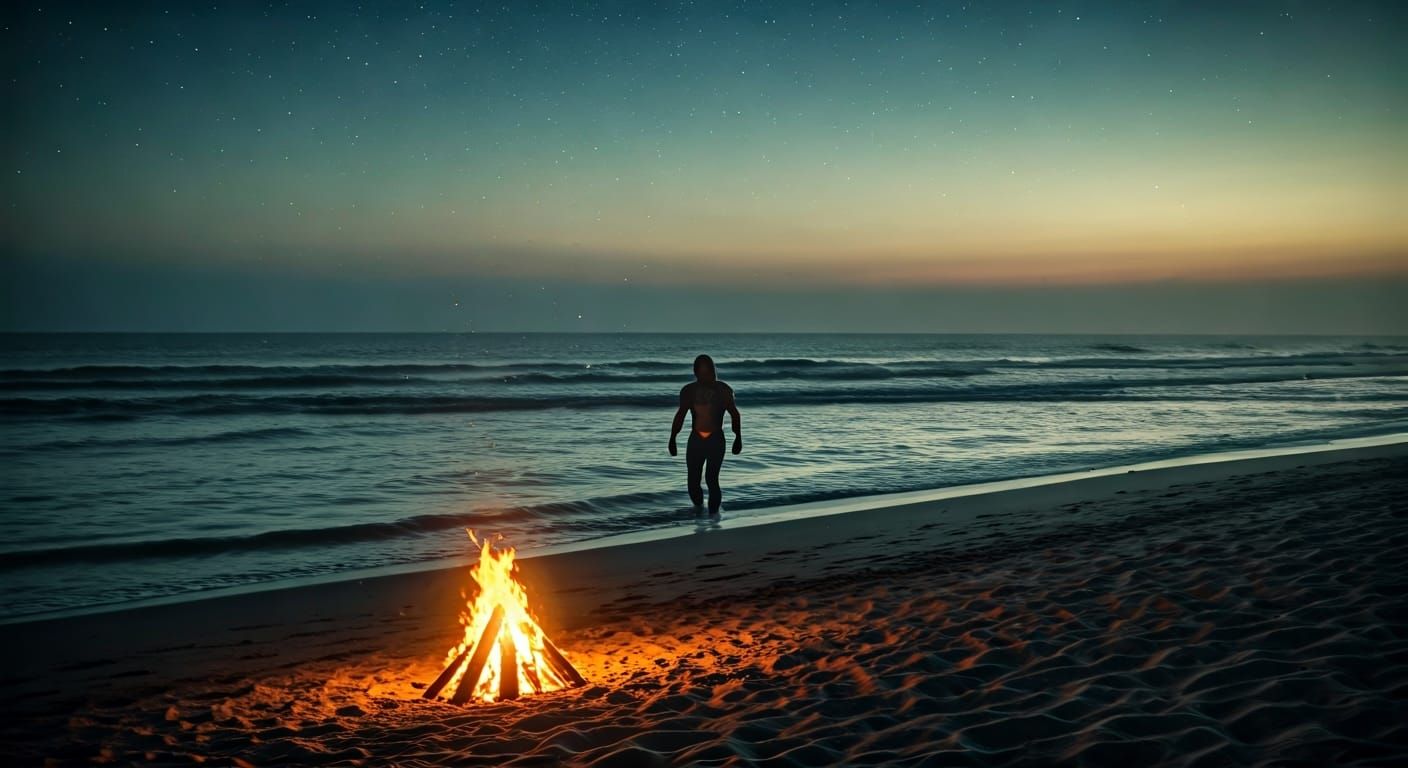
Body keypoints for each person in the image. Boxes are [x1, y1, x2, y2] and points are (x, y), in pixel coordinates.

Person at [668, 354, 741, 514]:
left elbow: (735, 414)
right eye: (701, 373)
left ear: (713, 371)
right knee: (692, 482)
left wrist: (738, 438)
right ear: (696, 373)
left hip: (716, 440)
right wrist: (673, 437)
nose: (705, 377)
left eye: (708, 372)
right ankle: (699, 511)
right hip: (696, 439)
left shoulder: (723, 390)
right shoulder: (689, 391)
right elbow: (680, 415)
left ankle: (714, 517)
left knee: (711, 479)